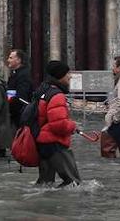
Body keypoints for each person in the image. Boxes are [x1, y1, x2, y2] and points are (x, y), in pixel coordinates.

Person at [35, 59, 81, 187]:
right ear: (60, 75)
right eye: (67, 73)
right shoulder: (57, 95)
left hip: (42, 143)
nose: (70, 76)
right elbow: (58, 125)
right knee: (73, 182)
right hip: (55, 144)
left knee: (45, 184)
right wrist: (72, 125)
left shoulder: (43, 91)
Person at [5, 48, 34, 129]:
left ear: (18, 60)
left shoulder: (23, 75)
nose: (8, 60)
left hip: (19, 116)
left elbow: (21, 98)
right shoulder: (15, 74)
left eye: (11, 58)